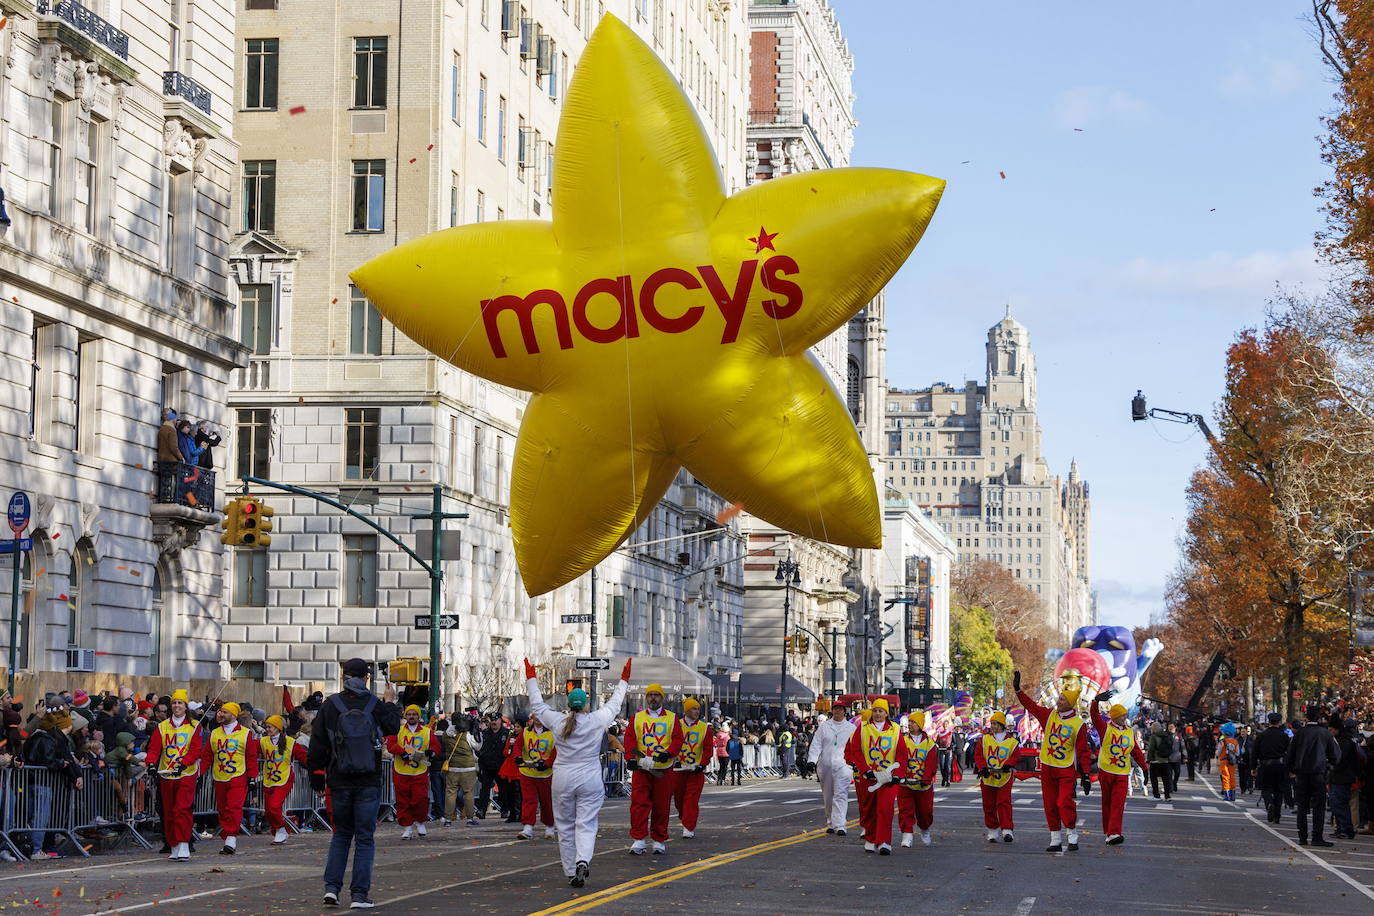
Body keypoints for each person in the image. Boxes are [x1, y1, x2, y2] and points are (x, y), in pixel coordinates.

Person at [524, 657, 630, 888]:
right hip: (589, 778)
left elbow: (537, 705)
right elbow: (614, 705)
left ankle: (571, 871)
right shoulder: (595, 720)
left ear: (568, 702)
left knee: (565, 825)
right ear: (585, 704)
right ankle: (583, 859)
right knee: (586, 823)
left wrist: (531, 678)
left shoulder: (558, 721)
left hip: (562, 778)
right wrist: (623, 681)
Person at [308, 657, 402, 909]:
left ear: (343, 675)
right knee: (364, 837)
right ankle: (359, 895)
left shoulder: (331, 705)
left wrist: (317, 776)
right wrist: (390, 701)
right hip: (368, 779)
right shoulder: (374, 703)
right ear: (366, 678)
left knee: (341, 835)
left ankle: (332, 889)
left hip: (339, 779)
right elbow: (393, 727)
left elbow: (317, 744)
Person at [1014, 670, 1092, 853]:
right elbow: (1031, 706)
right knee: (1049, 804)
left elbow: (1083, 751)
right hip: (1047, 767)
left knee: (1063, 802)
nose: (1058, 701)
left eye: (1063, 700)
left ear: (1071, 703)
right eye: (1059, 699)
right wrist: (1017, 690)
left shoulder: (1078, 724)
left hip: (1066, 770)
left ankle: (1072, 835)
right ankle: (1055, 838)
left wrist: (1086, 774)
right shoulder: (1048, 715)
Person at [623, 683, 684, 855]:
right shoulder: (637, 718)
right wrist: (630, 758)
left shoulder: (672, 718)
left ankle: (659, 840)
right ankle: (639, 839)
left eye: (656, 695)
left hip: (663, 769)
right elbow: (629, 739)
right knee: (638, 804)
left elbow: (678, 740)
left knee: (661, 805)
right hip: (642, 769)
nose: (653, 698)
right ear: (646, 697)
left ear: (662, 698)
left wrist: (669, 753)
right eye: (650, 695)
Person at [843, 698, 908, 855]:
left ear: (886, 713)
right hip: (869, 777)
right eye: (875, 710)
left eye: (881, 711)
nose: (878, 714)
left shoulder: (896, 729)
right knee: (869, 809)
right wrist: (865, 770)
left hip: (888, 777)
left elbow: (902, 754)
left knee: (885, 809)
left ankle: (884, 841)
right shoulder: (863, 728)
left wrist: (898, 774)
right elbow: (856, 751)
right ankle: (871, 839)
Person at [22, 701, 84, 859]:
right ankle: (36, 849)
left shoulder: (31, 738)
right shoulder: (47, 739)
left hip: (29, 781)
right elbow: (47, 760)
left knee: (31, 816)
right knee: (40, 817)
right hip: (42, 782)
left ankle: (31, 847)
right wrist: (60, 763)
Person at [145, 689, 200, 862]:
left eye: (180, 703)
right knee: (168, 812)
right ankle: (174, 844)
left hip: (186, 774)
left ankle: (184, 843)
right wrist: (151, 764)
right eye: (174, 703)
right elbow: (154, 748)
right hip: (166, 774)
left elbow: (196, 749)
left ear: (185, 707)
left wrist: (184, 763)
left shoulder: (194, 726)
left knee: (182, 809)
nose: (177, 706)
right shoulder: (162, 726)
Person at [1089, 693, 1147, 846]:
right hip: (1106, 771)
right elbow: (1094, 717)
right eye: (1121, 716)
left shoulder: (1129, 731)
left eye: (1125, 715)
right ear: (1114, 717)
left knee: (1118, 803)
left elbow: (1136, 751)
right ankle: (1109, 832)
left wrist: (1145, 768)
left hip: (1122, 773)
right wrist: (1095, 701)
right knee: (1107, 803)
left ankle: (1114, 832)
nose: (1124, 718)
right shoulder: (1105, 729)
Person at [200, 701, 257, 855]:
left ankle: (231, 838)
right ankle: (227, 837)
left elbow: (251, 757)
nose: (221, 714)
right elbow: (207, 756)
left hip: (238, 775)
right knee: (223, 809)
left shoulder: (245, 733)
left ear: (233, 715)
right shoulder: (214, 733)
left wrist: (252, 777)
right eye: (220, 712)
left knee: (233, 807)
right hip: (219, 776)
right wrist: (200, 773)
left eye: (224, 712)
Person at [1284, 704, 1340, 848]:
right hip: (1319, 773)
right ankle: (1317, 837)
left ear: (1306, 717)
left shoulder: (1299, 733)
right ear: (1319, 718)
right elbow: (1335, 754)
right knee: (1319, 807)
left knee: (1302, 806)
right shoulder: (1326, 733)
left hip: (1302, 774)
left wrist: (1291, 769)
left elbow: (1290, 754)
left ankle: (1302, 837)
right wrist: (1330, 765)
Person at [385, 704, 439, 841]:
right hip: (401, 771)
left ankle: (420, 822)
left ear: (418, 716)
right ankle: (407, 827)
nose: (411, 717)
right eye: (409, 714)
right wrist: (401, 752)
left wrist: (431, 752)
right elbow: (391, 744)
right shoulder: (399, 730)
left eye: (414, 714)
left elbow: (435, 746)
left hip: (419, 771)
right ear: (405, 716)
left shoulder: (426, 731)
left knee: (420, 798)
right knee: (403, 800)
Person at [807, 700, 856, 836]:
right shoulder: (824, 727)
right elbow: (816, 744)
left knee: (840, 794)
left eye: (840, 709)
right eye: (835, 709)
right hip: (826, 765)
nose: (838, 711)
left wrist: (856, 763)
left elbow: (856, 747)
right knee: (828, 796)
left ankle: (840, 825)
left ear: (844, 711)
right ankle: (830, 822)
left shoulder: (851, 728)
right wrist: (812, 760)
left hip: (844, 765)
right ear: (832, 711)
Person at [974, 710, 1021, 843]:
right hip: (988, 776)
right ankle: (992, 830)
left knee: (1004, 802)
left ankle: (1007, 830)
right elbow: (978, 754)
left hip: (1004, 777)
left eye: (995, 723)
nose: (993, 726)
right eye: (992, 723)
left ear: (1001, 725)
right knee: (988, 804)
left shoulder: (1012, 741)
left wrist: (1008, 765)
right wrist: (982, 768)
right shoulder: (984, 739)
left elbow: (1016, 755)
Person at [260, 714, 307, 845]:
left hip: (284, 778)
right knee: (269, 810)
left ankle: (281, 830)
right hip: (269, 779)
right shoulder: (263, 741)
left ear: (278, 728)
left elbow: (304, 757)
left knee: (274, 806)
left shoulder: (290, 742)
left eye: (270, 727)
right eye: (266, 727)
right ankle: (278, 832)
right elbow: (250, 751)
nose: (267, 729)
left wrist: (317, 769)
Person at [671, 698, 713, 839]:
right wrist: (673, 758)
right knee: (679, 800)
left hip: (696, 771)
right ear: (687, 711)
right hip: (678, 770)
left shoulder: (704, 728)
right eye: (694, 709)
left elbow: (707, 749)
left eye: (698, 709)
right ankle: (685, 818)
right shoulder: (676, 725)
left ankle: (688, 827)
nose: (697, 711)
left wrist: (703, 763)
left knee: (691, 799)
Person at [515, 711, 557, 840]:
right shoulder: (526, 732)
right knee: (528, 800)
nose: (538, 719)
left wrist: (548, 763)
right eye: (535, 716)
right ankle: (528, 828)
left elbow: (556, 751)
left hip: (545, 774)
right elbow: (517, 745)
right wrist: (518, 757)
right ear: (532, 717)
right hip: (527, 772)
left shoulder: (552, 733)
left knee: (547, 801)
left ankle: (550, 827)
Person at [897, 711, 937, 848]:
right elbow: (899, 759)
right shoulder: (902, 740)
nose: (910, 725)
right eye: (909, 722)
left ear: (920, 725)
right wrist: (900, 775)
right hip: (906, 783)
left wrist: (926, 778)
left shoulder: (930, 743)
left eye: (913, 722)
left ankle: (925, 829)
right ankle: (907, 834)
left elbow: (931, 764)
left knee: (925, 812)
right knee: (905, 810)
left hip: (923, 785)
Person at [1329, 717, 1366, 840]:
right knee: (1337, 804)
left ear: (1337, 729)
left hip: (1343, 777)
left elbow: (1340, 760)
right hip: (1339, 777)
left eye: (1331, 729)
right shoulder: (1342, 741)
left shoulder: (1345, 742)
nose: (1330, 731)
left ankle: (1346, 829)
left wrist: (1331, 764)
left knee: (1341, 804)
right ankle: (1341, 828)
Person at [439, 716, 480, 827]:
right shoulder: (468, 736)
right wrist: (476, 729)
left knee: (450, 793)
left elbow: (447, 734)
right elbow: (478, 747)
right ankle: (470, 818)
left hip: (452, 768)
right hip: (468, 768)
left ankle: (448, 819)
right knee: (468, 793)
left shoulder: (448, 735)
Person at [1253, 712, 1291, 824]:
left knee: (1266, 788)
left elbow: (1255, 752)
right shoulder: (1284, 736)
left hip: (1265, 765)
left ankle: (1269, 804)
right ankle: (1277, 816)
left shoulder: (1262, 735)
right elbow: (1289, 753)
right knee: (1279, 790)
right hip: (1280, 765)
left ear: (1269, 722)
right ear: (1279, 722)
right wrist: (1290, 768)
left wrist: (1253, 767)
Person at [475, 714, 508, 819]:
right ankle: (482, 810)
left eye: (496, 720)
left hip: (501, 766)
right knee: (484, 790)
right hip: (487, 766)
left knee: (503, 790)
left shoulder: (506, 733)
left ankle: (505, 810)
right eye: (492, 720)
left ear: (500, 721)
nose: (494, 722)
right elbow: (480, 748)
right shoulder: (484, 733)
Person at [1146, 724, 1173, 801]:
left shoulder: (1154, 736)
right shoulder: (1166, 735)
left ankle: (1156, 795)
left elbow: (1151, 749)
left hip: (1156, 760)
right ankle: (1167, 796)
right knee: (1166, 779)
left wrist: (1148, 760)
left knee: (1154, 778)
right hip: (1165, 760)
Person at [1217, 722, 1240, 802]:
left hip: (1224, 761)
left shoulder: (1222, 742)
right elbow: (1238, 753)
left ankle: (1227, 795)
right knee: (1232, 777)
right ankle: (1233, 795)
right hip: (1232, 761)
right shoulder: (1235, 741)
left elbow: (1218, 752)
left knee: (1225, 777)